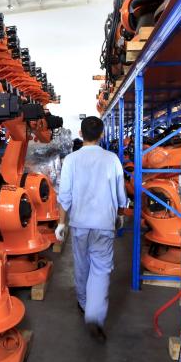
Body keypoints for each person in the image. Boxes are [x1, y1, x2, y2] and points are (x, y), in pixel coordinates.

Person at [55, 116, 127, 343]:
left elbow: (64, 195)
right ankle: (94, 315)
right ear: (102, 134)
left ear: (80, 132)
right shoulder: (112, 159)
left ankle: (83, 301)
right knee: (101, 269)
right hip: (104, 223)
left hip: (79, 223)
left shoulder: (71, 160)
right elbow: (120, 191)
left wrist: (60, 223)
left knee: (81, 263)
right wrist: (121, 214)